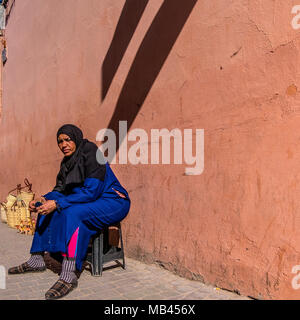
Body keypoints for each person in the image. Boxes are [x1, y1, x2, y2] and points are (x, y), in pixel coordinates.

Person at [8, 124, 131, 300]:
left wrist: (57, 202)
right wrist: (43, 200)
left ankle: (69, 274)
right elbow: (60, 191)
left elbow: (91, 191)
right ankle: (37, 259)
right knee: (48, 208)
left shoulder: (90, 152)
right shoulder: (67, 163)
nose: (64, 144)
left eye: (68, 139)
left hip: (113, 201)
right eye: (60, 141)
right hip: (92, 200)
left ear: (76, 138)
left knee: (72, 213)